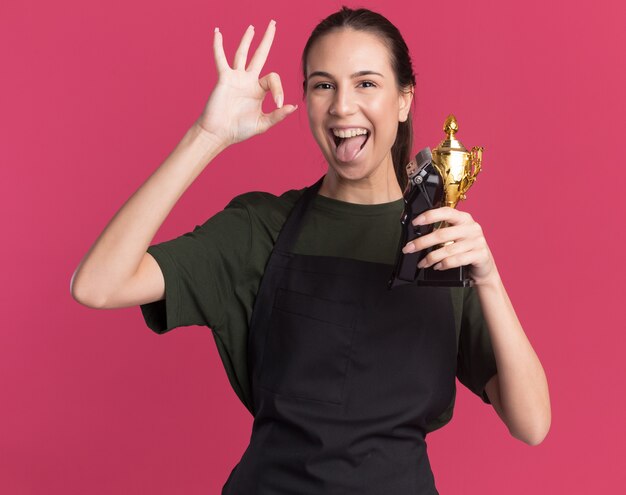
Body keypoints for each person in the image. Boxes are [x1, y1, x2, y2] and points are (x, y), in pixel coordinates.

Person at [70, 6, 551, 494]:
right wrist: (206, 137)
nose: (342, 106)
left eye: (366, 83)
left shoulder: (438, 239)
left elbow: (531, 424)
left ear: (404, 100)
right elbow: (97, 285)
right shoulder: (260, 228)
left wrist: (487, 277)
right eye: (323, 85)